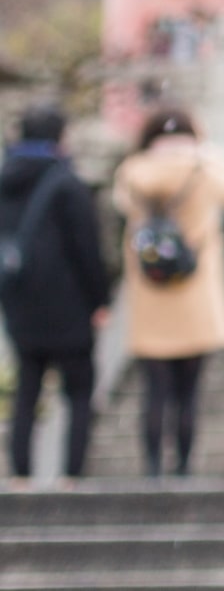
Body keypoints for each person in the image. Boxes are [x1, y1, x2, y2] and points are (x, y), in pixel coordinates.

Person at [111, 108, 224, 478]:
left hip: (150, 298)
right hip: (196, 296)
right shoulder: (202, 169)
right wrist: (208, 154)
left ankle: (153, 469)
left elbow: (120, 204)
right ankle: (184, 468)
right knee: (188, 393)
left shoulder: (133, 171)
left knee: (155, 392)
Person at [1, 104, 110, 487]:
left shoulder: (5, 180)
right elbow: (87, 248)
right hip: (69, 307)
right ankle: (71, 475)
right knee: (78, 392)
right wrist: (101, 299)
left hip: (19, 305)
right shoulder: (67, 183)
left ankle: (20, 475)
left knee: (26, 390)